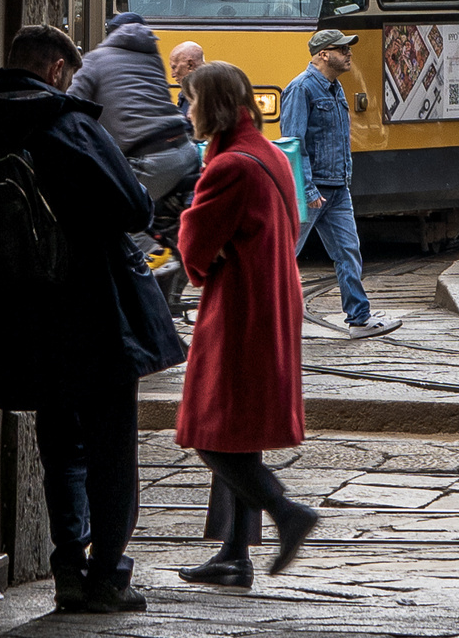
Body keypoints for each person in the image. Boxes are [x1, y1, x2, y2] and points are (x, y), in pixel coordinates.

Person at [0, 25, 186, 613]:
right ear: (56, 69)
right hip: (94, 312)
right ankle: (107, 573)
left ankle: (66, 570)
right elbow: (133, 204)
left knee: (59, 447)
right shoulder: (67, 124)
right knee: (110, 448)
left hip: (19, 316)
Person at [174, 63, 321, 590]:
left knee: (208, 431)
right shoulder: (270, 152)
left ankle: (287, 512)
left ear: (209, 105)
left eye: (191, 100)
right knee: (240, 433)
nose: (187, 110)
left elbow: (195, 241)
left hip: (238, 306)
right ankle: (235, 554)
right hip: (273, 299)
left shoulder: (227, 166)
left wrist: (189, 234)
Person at [281, 30, 400, 338]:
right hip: (312, 190)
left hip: (336, 187)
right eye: (342, 48)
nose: (349, 53)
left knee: (348, 252)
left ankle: (359, 318)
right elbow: (294, 145)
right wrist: (306, 190)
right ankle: (262, 318)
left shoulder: (335, 89)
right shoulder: (302, 89)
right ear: (323, 54)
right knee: (283, 255)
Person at [68, 13, 200, 216]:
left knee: (106, 218)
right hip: (184, 151)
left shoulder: (94, 60)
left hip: (147, 163)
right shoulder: (152, 58)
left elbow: (71, 107)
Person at [170, 41, 205, 116]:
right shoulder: (186, 92)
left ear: (190, 65)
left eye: (174, 67)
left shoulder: (205, 95)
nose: (172, 75)